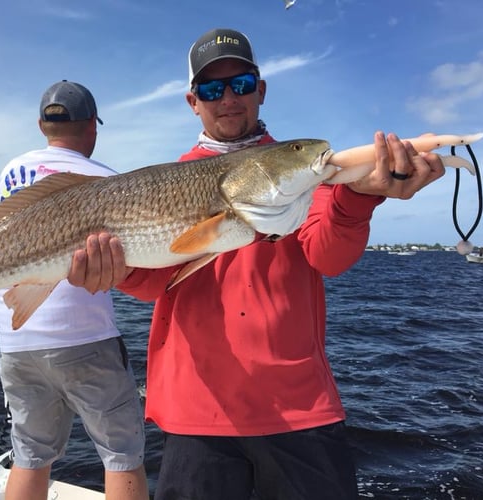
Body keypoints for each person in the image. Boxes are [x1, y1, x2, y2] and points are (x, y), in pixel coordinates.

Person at [67, 28, 446, 500]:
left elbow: (328, 256)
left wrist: (359, 198)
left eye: (241, 84)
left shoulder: (302, 166)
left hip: (298, 406)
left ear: (261, 90)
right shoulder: (164, 183)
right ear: (193, 101)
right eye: (211, 89)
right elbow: (153, 284)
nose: (228, 98)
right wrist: (111, 271)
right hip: (197, 408)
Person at [0, 80, 148, 500]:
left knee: (29, 455)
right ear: (92, 129)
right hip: (85, 339)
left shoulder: (11, 171)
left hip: (16, 341)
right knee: (122, 453)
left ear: (42, 124)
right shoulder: (106, 180)